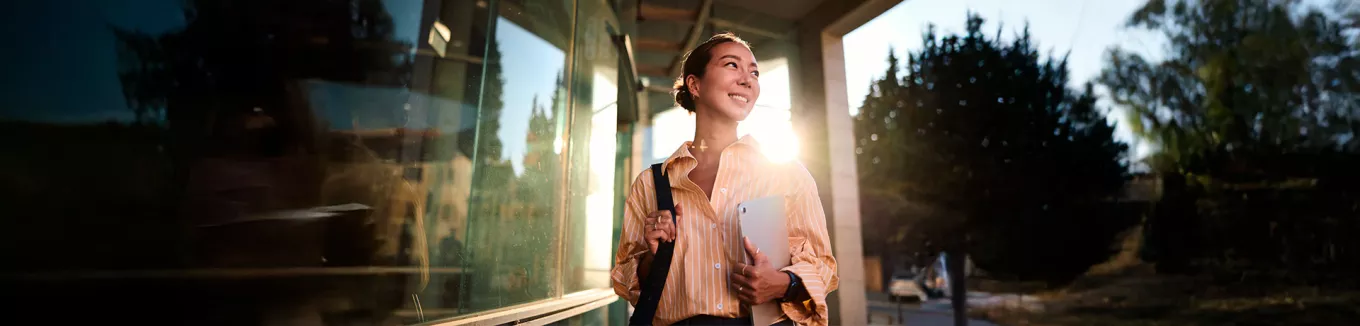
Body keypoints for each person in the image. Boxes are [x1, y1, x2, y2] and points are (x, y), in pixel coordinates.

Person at [610, 33, 839, 326]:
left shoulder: (786, 175)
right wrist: (654, 257)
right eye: (732, 65)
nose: (747, 80)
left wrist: (782, 284)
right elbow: (627, 283)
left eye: (754, 72)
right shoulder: (651, 184)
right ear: (695, 85)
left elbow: (822, 267)